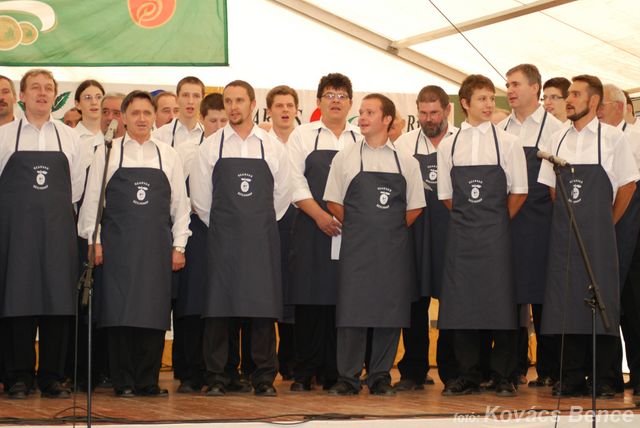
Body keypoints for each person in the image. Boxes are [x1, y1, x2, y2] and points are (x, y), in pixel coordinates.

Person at [78, 90, 191, 397]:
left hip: (156, 248)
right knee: (119, 313)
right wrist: (94, 241)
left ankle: (147, 381)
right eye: (135, 113)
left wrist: (179, 246)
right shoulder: (107, 152)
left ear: (153, 117)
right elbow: (93, 201)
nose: (142, 118)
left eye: (146, 113)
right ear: (124, 118)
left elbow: (180, 206)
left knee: (152, 313)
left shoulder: (168, 154)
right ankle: (123, 381)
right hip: (117, 248)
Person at [538, 75, 638, 398]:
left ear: (594, 101)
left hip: (600, 238)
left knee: (602, 301)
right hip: (564, 237)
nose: (568, 99)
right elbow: (554, 190)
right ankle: (570, 377)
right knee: (567, 302)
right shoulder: (556, 139)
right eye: (568, 94)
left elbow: (628, 186)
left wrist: (607, 222)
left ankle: (604, 378)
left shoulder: (613, 138)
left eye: (576, 94)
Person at [191, 80, 290, 397]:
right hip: (223, 239)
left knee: (262, 308)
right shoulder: (211, 147)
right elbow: (201, 199)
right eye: (228, 101)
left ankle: (263, 377)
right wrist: (226, 225)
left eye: (239, 101)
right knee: (220, 308)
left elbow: (282, 196)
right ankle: (217, 376)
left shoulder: (272, 146)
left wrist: (257, 223)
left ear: (252, 104)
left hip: (261, 239)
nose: (233, 107)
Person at [323, 93, 424, 396]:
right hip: (356, 249)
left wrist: (387, 228)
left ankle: (380, 376)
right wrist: (361, 225)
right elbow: (332, 201)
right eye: (361, 112)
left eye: (370, 112)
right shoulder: (345, 157)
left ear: (387, 119)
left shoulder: (407, 162)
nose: (362, 117)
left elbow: (415, 207)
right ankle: (348, 378)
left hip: (393, 251)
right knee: (352, 311)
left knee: (389, 312)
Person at [437, 74, 528, 397]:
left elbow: (519, 191)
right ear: (465, 103)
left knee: (500, 304)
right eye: (482, 99)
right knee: (463, 305)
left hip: (497, 237)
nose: (489, 104)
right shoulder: (449, 144)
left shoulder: (508, 143)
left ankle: (503, 375)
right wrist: (471, 222)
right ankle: (468, 374)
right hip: (462, 238)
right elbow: (446, 195)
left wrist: (496, 222)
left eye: (492, 98)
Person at [0, 69, 84, 399]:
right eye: (35, 87)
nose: (42, 92)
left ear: (55, 96)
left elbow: (76, 188)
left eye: (48, 88)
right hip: (15, 236)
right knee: (17, 302)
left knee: (57, 304)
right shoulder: (5, 136)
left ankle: (52, 377)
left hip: (57, 234)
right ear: (21, 96)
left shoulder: (70, 138)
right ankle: (18, 376)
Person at [287, 73, 360, 391]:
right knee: (309, 297)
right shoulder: (302, 135)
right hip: (311, 225)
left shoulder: (360, 138)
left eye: (342, 96)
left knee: (340, 299)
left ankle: (336, 371)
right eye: (329, 95)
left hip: (350, 229)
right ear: (318, 102)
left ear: (351, 103)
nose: (335, 101)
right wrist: (319, 215)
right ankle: (304, 372)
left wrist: (345, 219)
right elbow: (293, 180)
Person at [499, 64, 564, 389]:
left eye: (515, 84)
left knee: (544, 297)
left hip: (542, 222)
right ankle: (511, 369)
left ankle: (552, 369)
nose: (509, 90)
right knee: (509, 297)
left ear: (535, 87)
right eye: (507, 85)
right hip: (508, 220)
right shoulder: (500, 129)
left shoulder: (557, 129)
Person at [394, 85, 458, 391]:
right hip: (415, 231)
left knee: (453, 302)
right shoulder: (404, 144)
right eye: (423, 113)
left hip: (452, 231)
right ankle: (413, 371)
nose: (428, 119)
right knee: (414, 302)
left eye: (434, 112)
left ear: (447, 110)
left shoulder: (462, 140)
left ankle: (453, 371)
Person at [153, 76, 205, 388]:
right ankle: (152, 368)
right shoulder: (159, 136)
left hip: (198, 225)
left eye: (196, 95)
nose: (190, 101)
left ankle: (190, 371)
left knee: (191, 301)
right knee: (163, 298)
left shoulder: (210, 136)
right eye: (185, 94)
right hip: (163, 226)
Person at [597, 83, 640, 396]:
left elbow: (630, 187)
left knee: (634, 307)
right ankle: (608, 377)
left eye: (601, 105)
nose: (597, 111)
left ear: (618, 106)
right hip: (603, 233)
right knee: (609, 306)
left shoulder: (634, 137)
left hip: (633, 234)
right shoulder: (596, 139)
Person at [266, 85, 300, 380]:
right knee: (270, 288)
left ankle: (291, 358)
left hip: (300, 220)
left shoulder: (305, 140)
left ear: (297, 110)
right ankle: (263, 361)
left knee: (295, 289)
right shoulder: (261, 142)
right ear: (269, 111)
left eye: (290, 105)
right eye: (279, 105)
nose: (285, 110)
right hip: (269, 223)